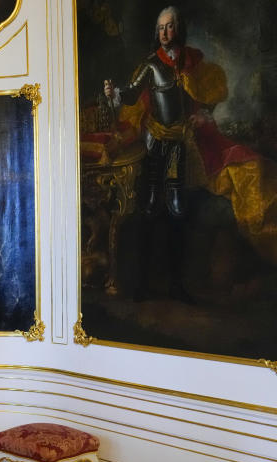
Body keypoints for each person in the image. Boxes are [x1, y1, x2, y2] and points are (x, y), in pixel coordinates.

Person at [102, 6, 228, 301]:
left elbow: (202, 98)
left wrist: (202, 115)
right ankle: (143, 283)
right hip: (155, 142)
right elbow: (131, 93)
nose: (164, 33)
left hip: (179, 142)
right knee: (147, 206)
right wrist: (114, 94)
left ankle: (176, 284)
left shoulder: (190, 62)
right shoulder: (151, 64)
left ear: (178, 28)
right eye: (160, 28)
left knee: (177, 208)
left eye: (170, 27)